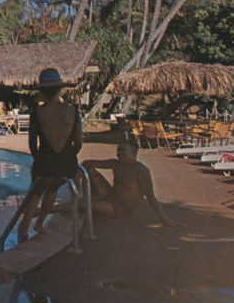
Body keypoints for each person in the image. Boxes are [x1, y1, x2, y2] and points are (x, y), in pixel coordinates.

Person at [18, 68, 83, 242]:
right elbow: (78, 143)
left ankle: (24, 229)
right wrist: (66, 156)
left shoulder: (37, 112)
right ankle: (40, 223)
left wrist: (40, 159)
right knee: (53, 187)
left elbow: (32, 144)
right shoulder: (73, 110)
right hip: (67, 163)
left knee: (36, 192)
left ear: (42, 90)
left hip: (44, 161)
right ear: (59, 88)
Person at [60, 141, 182, 226]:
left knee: (83, 204)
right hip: (110, 196)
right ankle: (74, 194)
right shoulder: (116, 164)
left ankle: (52, 208)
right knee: (87, 168)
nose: (119, 153)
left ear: (134, 153)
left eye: (123, 151)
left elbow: (151, 196)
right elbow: (87, 163)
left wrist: (164, 219)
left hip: (121, 207)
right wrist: (76, 184)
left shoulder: (140, 170)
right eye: (118, 150)